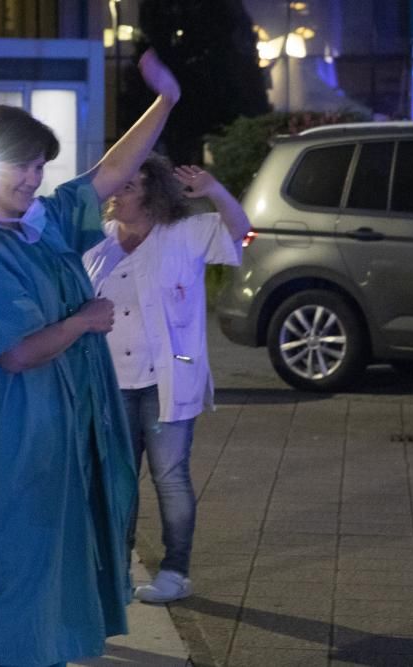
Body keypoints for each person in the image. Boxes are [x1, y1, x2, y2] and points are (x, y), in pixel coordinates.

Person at [0, 48, 180, 667]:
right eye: (21, 164)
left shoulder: (43, 222)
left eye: (40, 165)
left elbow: (112, 171)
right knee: (13, 568)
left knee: (57, 563)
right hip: (10, 435)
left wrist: (166, 100)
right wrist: (84, 320)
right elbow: (13, 353)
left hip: (58, 428)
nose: (33, 177)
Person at [82, 155, 250, 603]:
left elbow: (243, 232)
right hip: (110, 381)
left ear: (154, 194)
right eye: (116, 186)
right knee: (116, 480)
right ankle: (114, 574)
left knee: (170, 476)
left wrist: (214, 189)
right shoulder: (98, 242)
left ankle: (175, 571)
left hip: (167, 380)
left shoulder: (186, 234)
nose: (117, 194)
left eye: (129, 187)